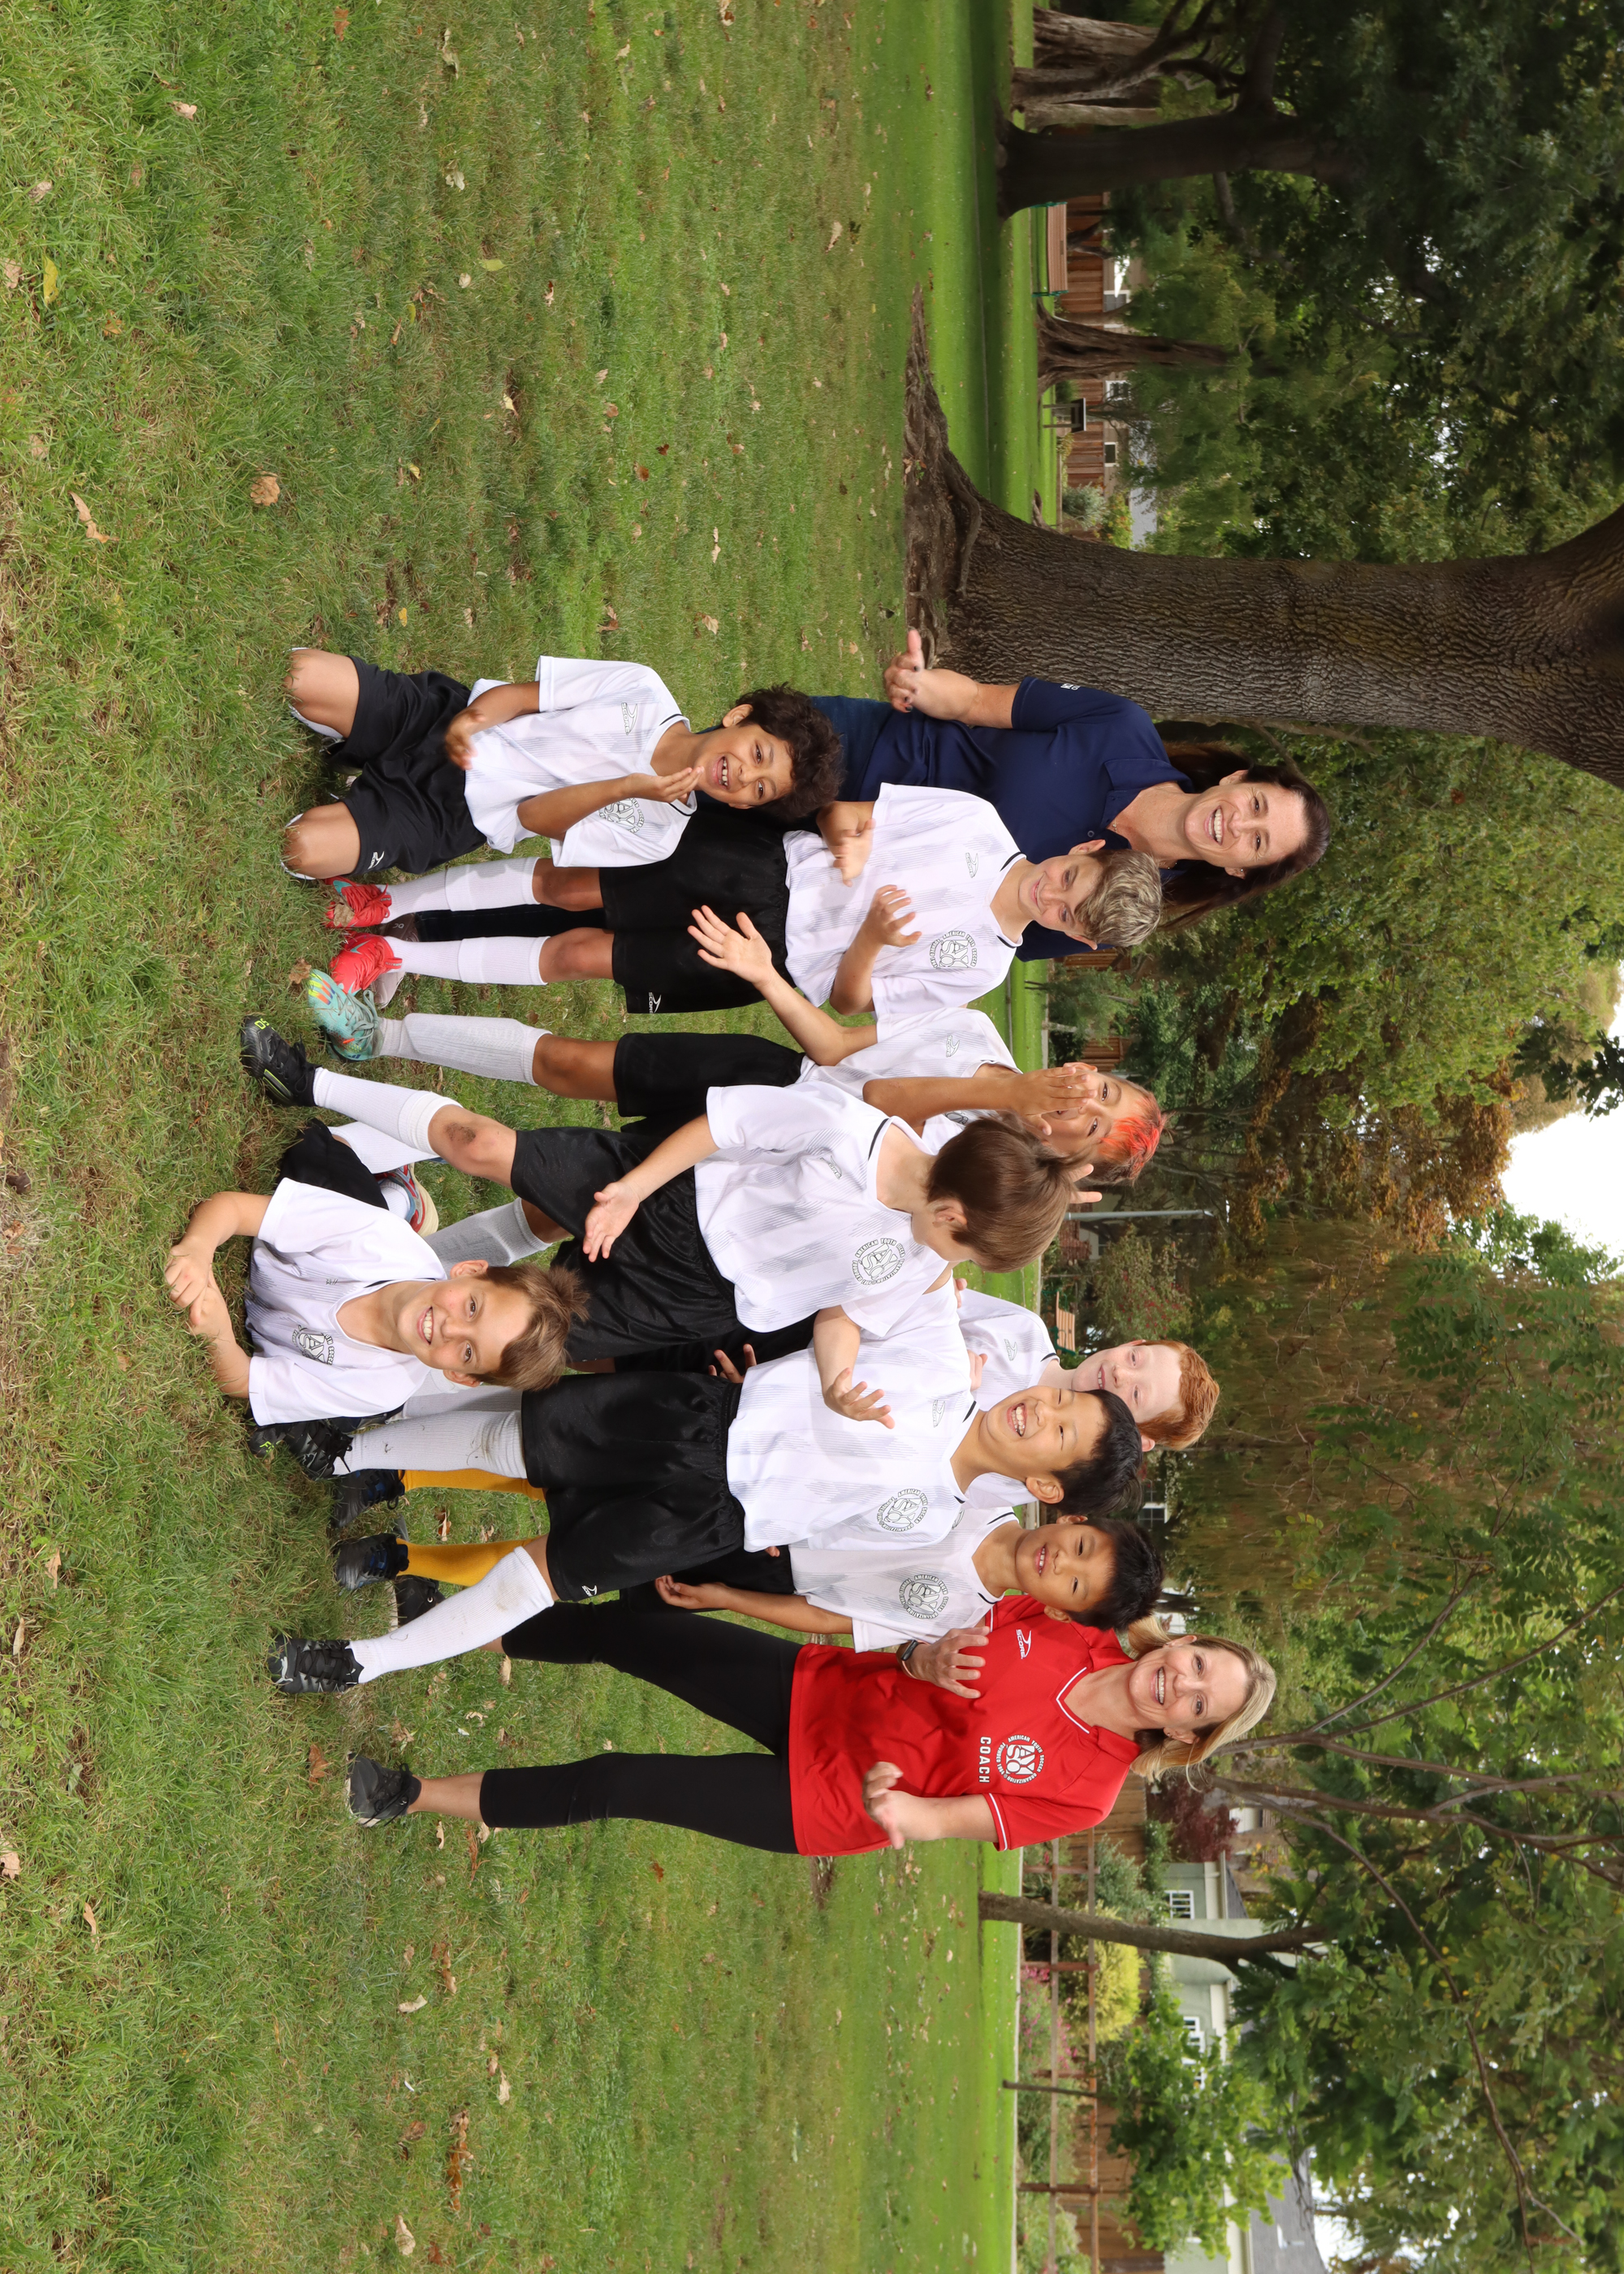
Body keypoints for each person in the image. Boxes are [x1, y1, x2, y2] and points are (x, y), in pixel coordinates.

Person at [262, 1312, 1148, 1693]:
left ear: (1044, 1487)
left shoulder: (931, 1520)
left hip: (707, 1519)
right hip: (696, 1417)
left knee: (541, 1576)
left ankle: (358, 1662)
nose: (1040, 1411)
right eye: (1059, 1400)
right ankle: (342, 1450)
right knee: (515, 1443)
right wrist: (829, 1375)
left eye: (1058, 1436)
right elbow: (844, 1313)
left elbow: (827, 1578)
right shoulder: (947, 1366)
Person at [237, 1025, 1080, 1372]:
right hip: (670, 1198)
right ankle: (311, 1081)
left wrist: (836, 1381)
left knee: (516, 1352)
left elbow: (840, 1318)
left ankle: (338, 1345)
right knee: (481, 1145)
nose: (956, 1267)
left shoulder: (920, 1263)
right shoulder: (845, 1127)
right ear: (955, 1213)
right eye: (967, 1249)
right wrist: (630, 1192)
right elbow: (721, 1125)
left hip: (695, 1301)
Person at [301, 903, 1164, 1185]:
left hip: (751, 1168)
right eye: (1104, 1090)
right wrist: (764, 975)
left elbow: (878, 1106)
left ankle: (371, 1171)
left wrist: (1006, 1102)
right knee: (567, 1063)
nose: (1081, 1102)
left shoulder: (988, 1176)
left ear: (1073, 1157)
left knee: (550, 1171)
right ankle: (382, 1037)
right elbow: (839, 1051)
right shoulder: (973, 1029)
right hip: (767, 1076)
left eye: (1094, 1124)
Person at [341, 1608, 1276, 1858]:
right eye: (1198, 1663)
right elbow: (926, 1610)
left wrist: (900, 1809)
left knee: (620, 1781)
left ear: (1185, 1733)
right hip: (819, 1686)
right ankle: (445, 1622)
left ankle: (403, 1795)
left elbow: (951, 1821)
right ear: (1180, 1642)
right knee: (640, 1636)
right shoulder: (1070, 1629)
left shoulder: (1087, 1790)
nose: (1184, 1684)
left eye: (1200, 1704)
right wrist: (917, 1653)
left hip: (822, 1799)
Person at [308, 785, 1162, 1020]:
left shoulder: (981, 970)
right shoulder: (975, 821)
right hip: (755, 868)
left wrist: (868, 940)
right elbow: (846, 813)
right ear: (1085, 851)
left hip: (761, 958)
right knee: (565, 886)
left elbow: (847, 1002)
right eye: (1071, 881)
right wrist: (850, 840)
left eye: (1067, 916)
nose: (1052, 896)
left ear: (1076, 941)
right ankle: (388, 898)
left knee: (579, 955)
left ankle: (395, 953)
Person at [814, 633, 1333, 957]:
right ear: (1237, 780)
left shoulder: (1119, 910)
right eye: (1257, 805)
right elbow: (974, 700)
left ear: (1239, 870)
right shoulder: (1122, 726)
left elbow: (985, 937)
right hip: (864, 752)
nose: (1239, 824)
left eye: (1258, 842)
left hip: (850, 875)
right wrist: (922, 686)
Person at [278, 648, 844, 885]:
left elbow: (533, 816)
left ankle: (364, 799)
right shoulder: (643, 688)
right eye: (758, 755)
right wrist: (471, 721)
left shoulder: (659, 837)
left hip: (450, 814)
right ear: (739, 717)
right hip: (445, 720)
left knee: (300, 849)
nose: (745, 777)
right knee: (297, 675)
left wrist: (627, 788)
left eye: (760, 790)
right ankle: (358, 745)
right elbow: (522, 698)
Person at [162, 1116, 581, 1425]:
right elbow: (231, 1209)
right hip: (361, 1220)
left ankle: (403, 1202)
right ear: (468, 1270)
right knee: (310, 1149)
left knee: (341, 1420)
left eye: (468, 1352)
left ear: (460, 1376)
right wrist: (197, 1249)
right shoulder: (376, 1238)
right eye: (472, 1307)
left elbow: (241, 1381)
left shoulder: (381, 1389)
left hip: (353, 1264)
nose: (451, 1328)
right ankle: (400, 1195)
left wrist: (218, 1333)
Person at [957, 1289, 1218, 1451]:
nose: (1121, 1374)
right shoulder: (1025, 1328)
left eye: (1137, 1394)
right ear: (1132, 1343)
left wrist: (953, 1387)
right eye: (1134, 1358)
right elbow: (940, 1296)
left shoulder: (1034, 1465)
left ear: (1138, 1437)